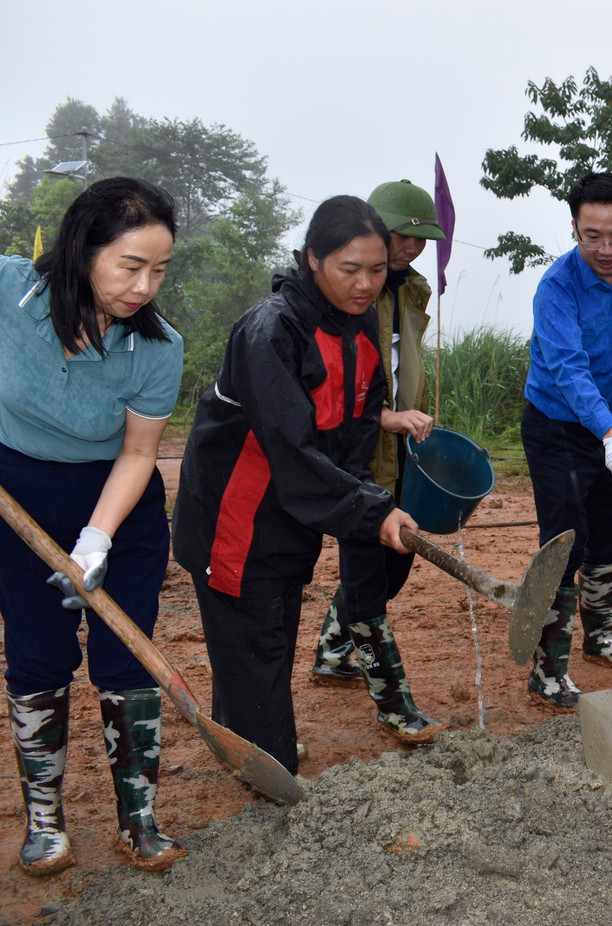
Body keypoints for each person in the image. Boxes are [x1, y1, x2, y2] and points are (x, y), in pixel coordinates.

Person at [172, 196, 418, 776]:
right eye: (349, 269)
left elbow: (355, 437)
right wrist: (369, 510)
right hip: (237, 519)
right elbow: (290, 447)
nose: (365, 284)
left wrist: (372, 499)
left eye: (377, 270)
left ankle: (245, 741)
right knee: (255, 645)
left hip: (290, 519)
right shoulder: (271, 330)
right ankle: (264, 763)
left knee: (271, 634)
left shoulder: (357, 332)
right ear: (312, 259)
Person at [0, 178, 186, 874]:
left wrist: (97, 539)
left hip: (117, 501)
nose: (144, 286)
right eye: (130, 265)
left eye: (159, 270)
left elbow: (139, 453)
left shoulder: (157, 346)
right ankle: (45, 821)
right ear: (83, 250)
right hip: (16, 492)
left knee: (124, 656)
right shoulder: (7, 292)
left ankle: (138, 819)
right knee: (38, 653)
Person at [307, 179, 444, 744]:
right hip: (354, 450)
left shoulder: (408, 291)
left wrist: (404, 411)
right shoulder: (347, 294)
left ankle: (333, 652)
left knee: (395, 561)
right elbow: (335, 381)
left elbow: (398, 358)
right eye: (402, 236)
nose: (410, 249)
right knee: (367, 573)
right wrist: (382, 416)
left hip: (399, 447)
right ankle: (395, 705)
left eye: (421, 241)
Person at [521, 171, 612, 711]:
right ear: (574, 229)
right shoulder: (555, 288)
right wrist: (609, 432)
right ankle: (547, 671)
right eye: (592, 236)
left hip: (608, 425)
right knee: (565, 543)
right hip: (558, 427)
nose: (607, 249)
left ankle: (604, 637)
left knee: (605, 530)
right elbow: (569, 369)